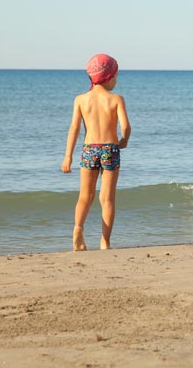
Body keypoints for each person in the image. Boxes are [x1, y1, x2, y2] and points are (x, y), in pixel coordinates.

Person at [61, 54, 131, 251]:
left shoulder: (81, 100)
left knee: (85, 195)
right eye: (116, 76)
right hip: (109, 148)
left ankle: (78, 229)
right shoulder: (116, 99)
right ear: (109, 77)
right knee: (107, 198)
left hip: (89, 149)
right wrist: (124, 141)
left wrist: (68, 155)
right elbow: (125, 127)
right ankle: (104, 241)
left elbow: (74, 128)